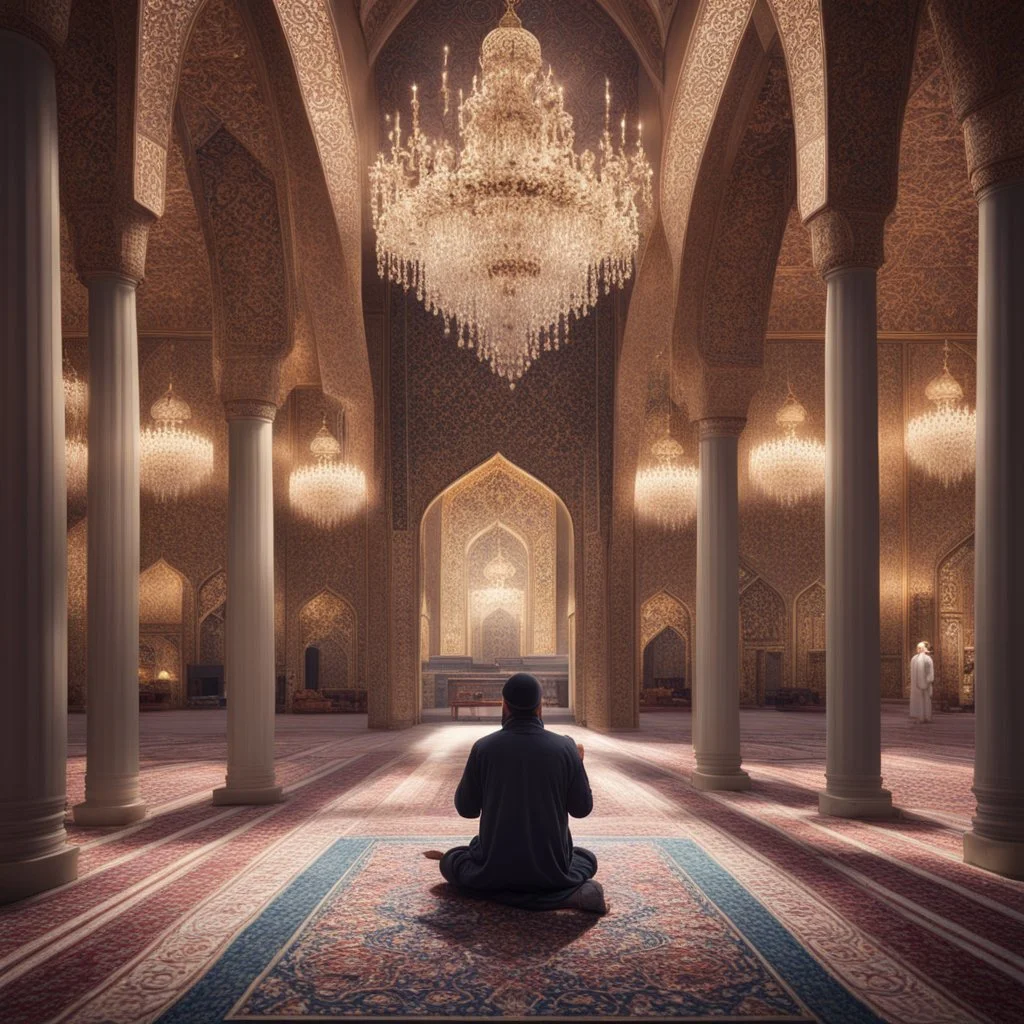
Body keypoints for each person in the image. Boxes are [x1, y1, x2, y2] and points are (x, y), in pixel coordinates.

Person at [424, 672, 607, 914]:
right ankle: (567, 894)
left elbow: (466, 810)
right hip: (551, 869)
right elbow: (582, 809)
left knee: (452, 860)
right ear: (540, 706)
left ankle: (499, 892)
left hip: (495, 867)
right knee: (586, 859)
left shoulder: (484, 748)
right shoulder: (566, 748)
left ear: (505, 705)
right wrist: (578, 762)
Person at [910, 641, 934, 723]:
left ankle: (926, 717)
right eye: (918, 648)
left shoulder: (928, 659)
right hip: (916, 685)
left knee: (926, 700)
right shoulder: (914, 659)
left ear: (924, 649)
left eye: (920, 648)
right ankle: (919, 716)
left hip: (925, 684)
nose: (918, 649)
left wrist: (928, 681)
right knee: (918, 700)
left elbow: (930, 671)